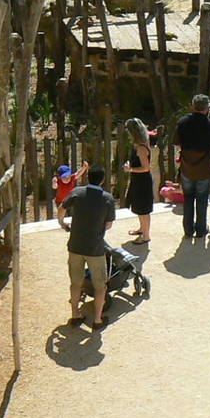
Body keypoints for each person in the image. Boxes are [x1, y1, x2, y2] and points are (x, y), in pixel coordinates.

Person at [59, 163, 115, 328]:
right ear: (103, 180)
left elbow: (62, 208)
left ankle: (75, 315)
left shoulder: (77, 193)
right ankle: (97, 320)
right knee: (100, 286)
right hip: (95, 248)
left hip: (75, 245)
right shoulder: (107, 199)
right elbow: (109, 224)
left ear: (87, 177)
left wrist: (62, 224)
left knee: (76, 283)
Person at [175, 95, 210, 239]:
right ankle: (201, 230)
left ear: (192, 106)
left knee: (188, 198)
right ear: (207, 109)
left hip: (187, 167)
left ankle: (188, 229)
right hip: (204, 168)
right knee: (202, 199)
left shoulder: (183, 123)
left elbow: (177, 143)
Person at [123, 118, 154, 245]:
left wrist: (130, 169)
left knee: (143, 210)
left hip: (142, 181)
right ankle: (142, 229)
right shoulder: (138, 144)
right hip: (138, 181)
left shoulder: (141, 147)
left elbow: (145, 168)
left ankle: (146, 236)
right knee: (139, 208)